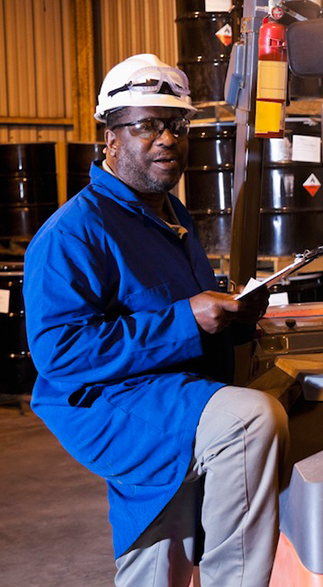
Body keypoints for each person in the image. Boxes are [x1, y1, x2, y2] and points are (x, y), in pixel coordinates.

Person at [23, 53, 289, 587]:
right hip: (110, 399)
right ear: (111, 138)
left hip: (170, 389)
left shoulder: (169, 214)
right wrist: (187, 320)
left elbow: (177, 307)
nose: (166, 138)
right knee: (249, 419)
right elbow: (60, 353)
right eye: (147, 124)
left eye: (176, 125)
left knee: (162, 546)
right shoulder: (72, 233)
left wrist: (231, 313)